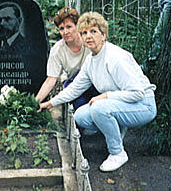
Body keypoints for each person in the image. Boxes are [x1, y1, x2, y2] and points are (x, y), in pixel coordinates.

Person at [38, 12, 157, 172]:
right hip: (121, 103)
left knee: (99, 108)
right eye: (84, 32)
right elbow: (74, 89)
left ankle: (117, 153)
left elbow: (138, 93)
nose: (88, 36)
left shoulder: (114, 57)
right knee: (81, 116)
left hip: (143, 106)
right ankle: (117, 128)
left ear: (104, 35)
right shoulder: (91, 60)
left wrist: (105, 96)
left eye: (93, 31)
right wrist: (50, 103)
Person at [35, 6, 98, 111]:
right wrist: (35, 102)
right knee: (80, 105)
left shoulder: (89, 41)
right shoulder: (58, 50)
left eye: (69, 27)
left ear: (77, 26)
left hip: (93, 80)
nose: (65, 32)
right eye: (61, 28)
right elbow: (51, 79)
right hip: (72, 82)